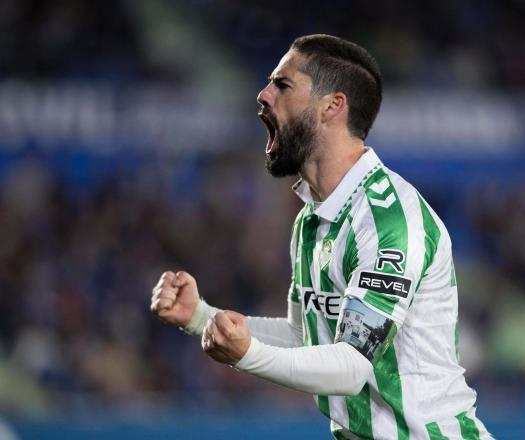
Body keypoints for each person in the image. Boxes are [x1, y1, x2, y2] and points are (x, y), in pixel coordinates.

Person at [150, 34, 493, 440]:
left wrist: (247, 356)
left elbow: (350, 366)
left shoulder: (387, 220)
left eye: (282, 85)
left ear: (332, 106)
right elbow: (306, 337)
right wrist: (202, 318)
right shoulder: (313, 219)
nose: (263, 95)